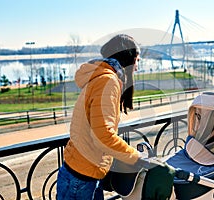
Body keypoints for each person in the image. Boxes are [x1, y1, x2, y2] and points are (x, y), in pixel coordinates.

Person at [56, 34, 148, 199]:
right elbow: (103, 136)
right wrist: (135, 157)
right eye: (138, 60)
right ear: (129, 58)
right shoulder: (107, 81)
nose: (137, 66)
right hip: (81, 178)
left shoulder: (102, 78)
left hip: (82, 171)